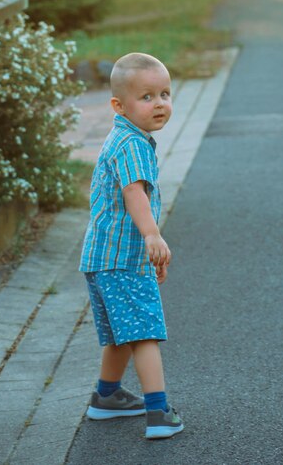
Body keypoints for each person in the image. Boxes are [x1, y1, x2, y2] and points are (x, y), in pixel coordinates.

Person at [79, 52, 184, 440]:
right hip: (122, 258)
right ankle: (158, 412)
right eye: (147, 97)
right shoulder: (133, 146)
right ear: (118, 105)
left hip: (103, 258)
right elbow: (133, 192)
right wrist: (152, 234)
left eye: (165, 94)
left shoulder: (124, 136)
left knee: (123, 332)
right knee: (143, 334)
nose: (159, 103)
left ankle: (106, 397)